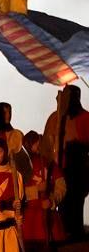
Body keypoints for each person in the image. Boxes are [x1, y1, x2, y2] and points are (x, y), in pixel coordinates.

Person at [42, 85, 89, 240]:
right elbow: (47, 144)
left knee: (76, 198)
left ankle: (76, 230)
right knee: (61, 196)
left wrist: (77, 146)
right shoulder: (55, 118)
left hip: (78, 164)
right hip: (59, 164)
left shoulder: (85, 117)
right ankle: (62, 230)